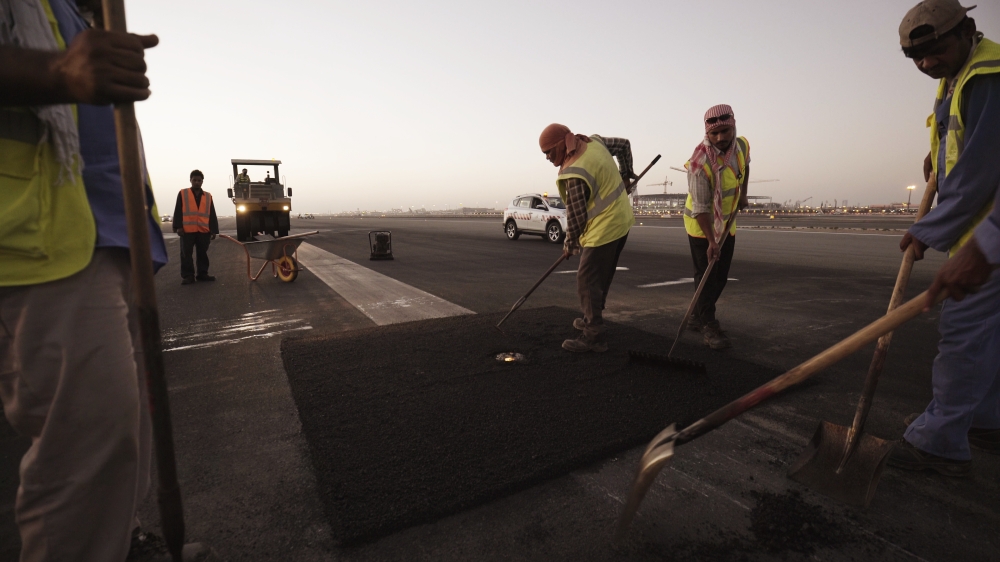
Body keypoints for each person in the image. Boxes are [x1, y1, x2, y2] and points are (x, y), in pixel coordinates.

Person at [0, 0, 166, 559]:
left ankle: (122, 541)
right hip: (35, 243)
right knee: (87, 449)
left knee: (128, 436)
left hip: (109, 234)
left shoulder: (66, 13)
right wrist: (58, 73)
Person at [887, 0, 1000, 476]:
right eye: (917, 58)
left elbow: (980, 172)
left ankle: (938, 443)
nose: (927, 63)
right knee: (988, 336)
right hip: (979, 229)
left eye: (934, 52)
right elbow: (962, 145)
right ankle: (985, 419)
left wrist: (926, 231)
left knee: (962, 335)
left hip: (987, 231)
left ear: (966, 31)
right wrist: (936, 159)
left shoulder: (988, 77)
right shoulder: (957, 76)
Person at [538, 123, 637, 353]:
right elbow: (624, 146)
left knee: (586, 280)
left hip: (604, 228)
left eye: (549, 152)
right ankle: (591, 316)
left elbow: (576, 216)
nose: (548, 158)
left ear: (562, 144)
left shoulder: (574, 172)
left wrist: (570, 244)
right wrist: (626, 175)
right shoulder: (594, 142)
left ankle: (594, 336)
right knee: (601, 275)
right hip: (622, 220)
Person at [682, 104, 750, 350]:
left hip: (727, 223)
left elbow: (746, 165)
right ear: (707, 134)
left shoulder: (740, 145)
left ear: (733, 127)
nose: (721, 138)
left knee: (721, 276)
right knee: (707, 276)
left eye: (725, 131)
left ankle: (696, 316)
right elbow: (700, 208)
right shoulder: (699, 164)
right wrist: (712, 242)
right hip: (702, 228)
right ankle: (708, 325)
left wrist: (743, 194)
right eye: (715, 134)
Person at [172, 169, 219, 284]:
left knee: (202, 253)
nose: (197, 182)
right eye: (194, 180)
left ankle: (202, 274)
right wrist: (178, 227)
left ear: (202, 181)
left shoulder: (208, 196)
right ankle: (188, 276)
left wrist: (213, 230)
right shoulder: (183, 193)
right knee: (186, 254)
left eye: (199, 180)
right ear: (190, 180)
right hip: (187, 231)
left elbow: (211, 213)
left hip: (203, 230)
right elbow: (178, 210)